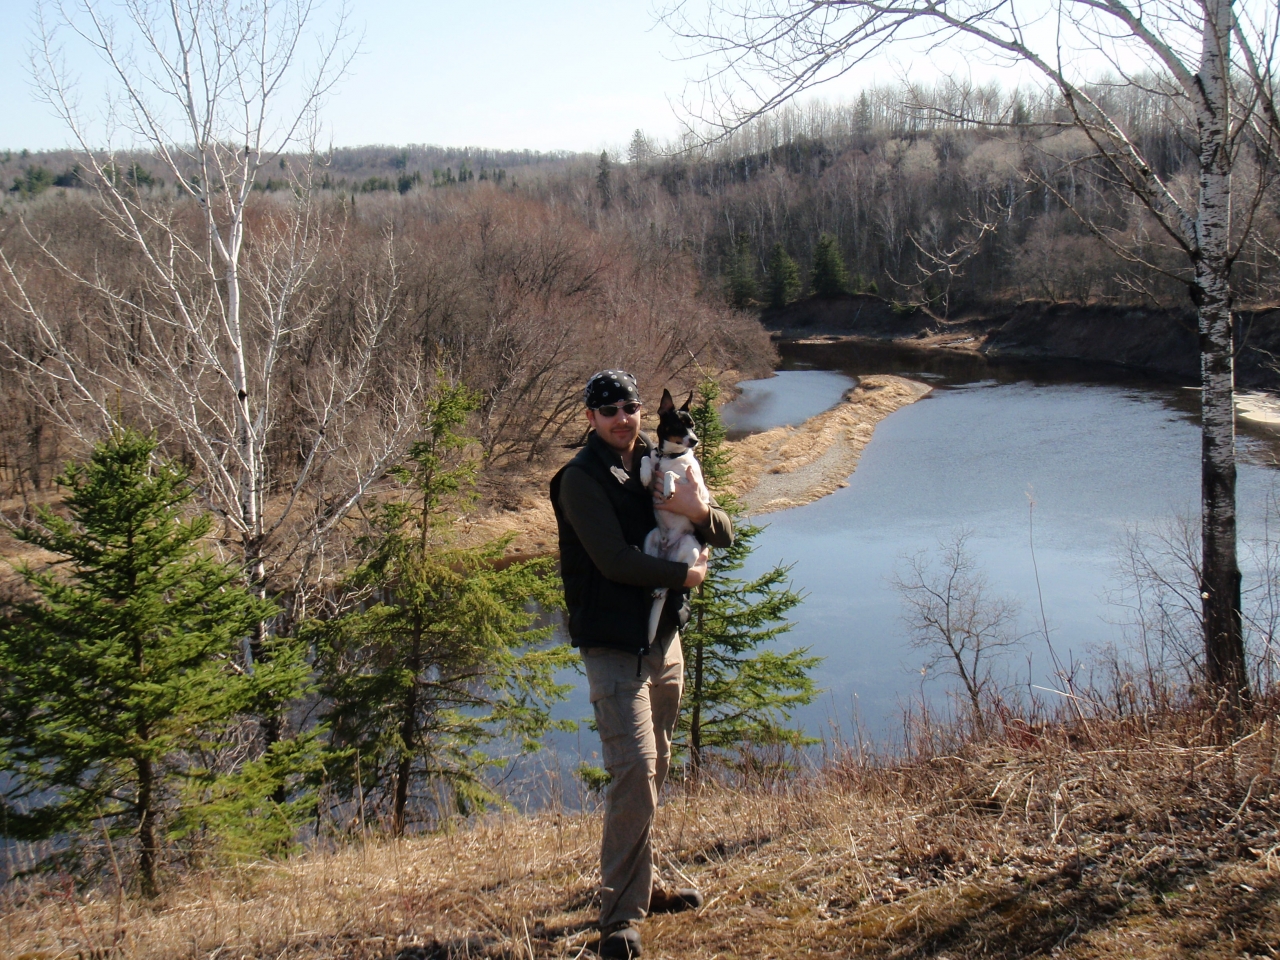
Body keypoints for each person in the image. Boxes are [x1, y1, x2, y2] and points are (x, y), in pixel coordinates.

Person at [550, 370, 735, 960]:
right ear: (590, 418)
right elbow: (612, 561)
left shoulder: (656, 461)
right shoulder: (579, 481)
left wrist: (698, 511)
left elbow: (724, 531)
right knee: (634, 769)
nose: (622, 418)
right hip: (612, 646)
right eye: (608, 410)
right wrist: (687, 574)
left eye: (629, 407)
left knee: (655, 770)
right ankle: (619, 920)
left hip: (662, 641)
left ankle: (645, 886)